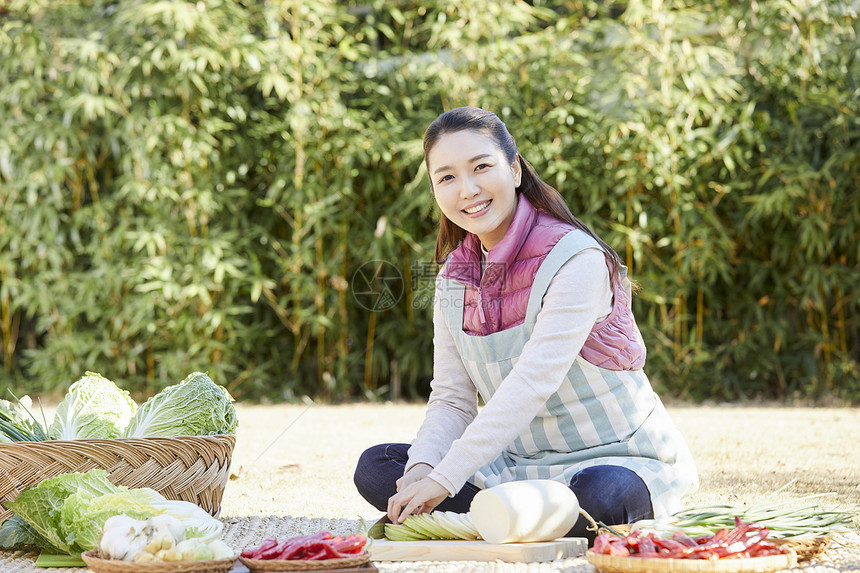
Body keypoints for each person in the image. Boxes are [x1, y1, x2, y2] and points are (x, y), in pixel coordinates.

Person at [353, 106, 698, 542]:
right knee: (378, 467)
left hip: (615, 460)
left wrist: (445, 481)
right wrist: (421, 473)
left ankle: (504, 514)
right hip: (513, 468)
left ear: (514, 169)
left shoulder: (576, 259)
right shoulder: (451, 278)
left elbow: (533, 382)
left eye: (482, 167)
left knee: (606, 494)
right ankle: (519, 514)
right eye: (447, 177)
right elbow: (452, 400)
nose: (468, 189)